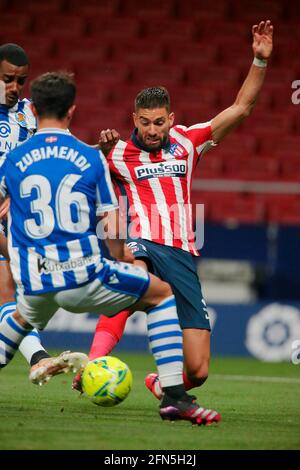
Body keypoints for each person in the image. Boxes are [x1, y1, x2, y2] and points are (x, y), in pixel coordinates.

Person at [0, 71, 221, 425]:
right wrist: (122, 260)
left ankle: (46, 350)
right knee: (160, 294)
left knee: (22, 316)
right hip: (82, 272)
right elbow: (111, 221)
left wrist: (12, 252)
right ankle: (175, 398)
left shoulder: (15, 160)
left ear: (34, 109)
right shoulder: (89, 158)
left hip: (36, 278)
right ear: (72, 111)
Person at [73, 20, 274, 401]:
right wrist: (97, 152)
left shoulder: (187, 141)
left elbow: (242, 108)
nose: (152, 130)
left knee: (198, 372)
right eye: (145, 122)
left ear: (172, 118)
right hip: (142, 242)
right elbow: (75, 173)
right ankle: (93, 364)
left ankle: (161, 382)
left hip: (181, 254)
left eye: (159, 122)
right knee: (132, 277)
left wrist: (259, 61)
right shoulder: (117, 152)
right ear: (134, 119)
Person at [0, 43, 51, 369]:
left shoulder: (32, 113)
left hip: (16, 219)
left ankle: (38, 357)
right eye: (7, 79)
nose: (15, 88)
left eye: (21, 80)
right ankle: (38, 357)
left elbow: (53, 155)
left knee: (7, 286)